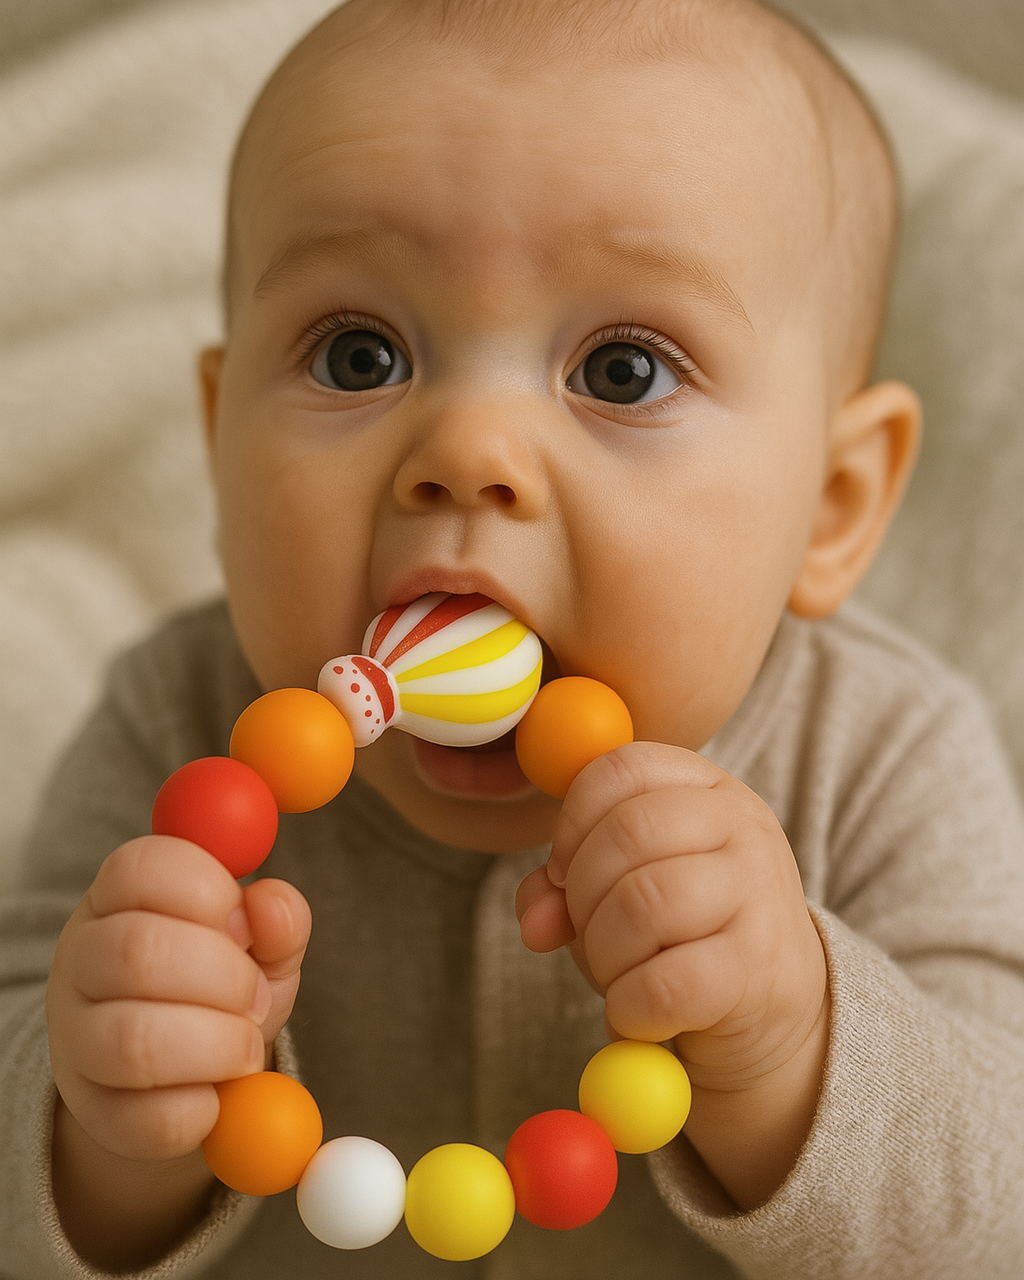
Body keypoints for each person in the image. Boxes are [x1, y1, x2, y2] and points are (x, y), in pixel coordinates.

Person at [2, 0, 1024, 1275]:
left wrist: (792, 1043)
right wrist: (108, 1131)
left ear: (832, 504)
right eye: (360, 352)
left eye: (623, 372)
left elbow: (997, 1226)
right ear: (219, 447)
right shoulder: (179, 739)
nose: (468, 455)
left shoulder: (879, 758)